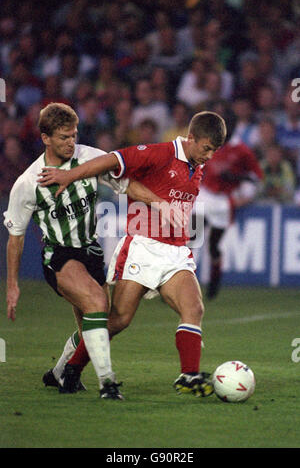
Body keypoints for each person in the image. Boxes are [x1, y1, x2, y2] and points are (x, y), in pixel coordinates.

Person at [38, 111, 227, 397]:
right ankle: (72, 369)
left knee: (194, 309)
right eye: (206, 148)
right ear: (191, 138)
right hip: (143, 247)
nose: (210, 156)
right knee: (118, 320)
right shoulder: (159, 153)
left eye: (214, 150)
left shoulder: (196, 165)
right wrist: (69, 174)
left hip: (177, 252)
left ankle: (188, 375)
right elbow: (112, 160)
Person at [3, 102, 171, 400]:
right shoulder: (28, 182)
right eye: (64, 137)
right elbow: (15, 237)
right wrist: (13, 285)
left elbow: (126, 185)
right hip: (59, 256)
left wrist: (160, 204)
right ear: (45, 138)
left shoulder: (90, 158)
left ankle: (60, 373)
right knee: (97, 304)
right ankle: (107, 382)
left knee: (97, 329)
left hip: (91, 252)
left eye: (74, 135)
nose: (71, 143)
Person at [193, 133, 263, 299]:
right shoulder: (208, 141)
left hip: (224, 201)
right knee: (191, 238)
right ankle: (179, 283)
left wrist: (236, 178)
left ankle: (214, 282)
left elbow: (255, 175)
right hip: (205, 194)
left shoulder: (242, 150)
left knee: (213, 245)